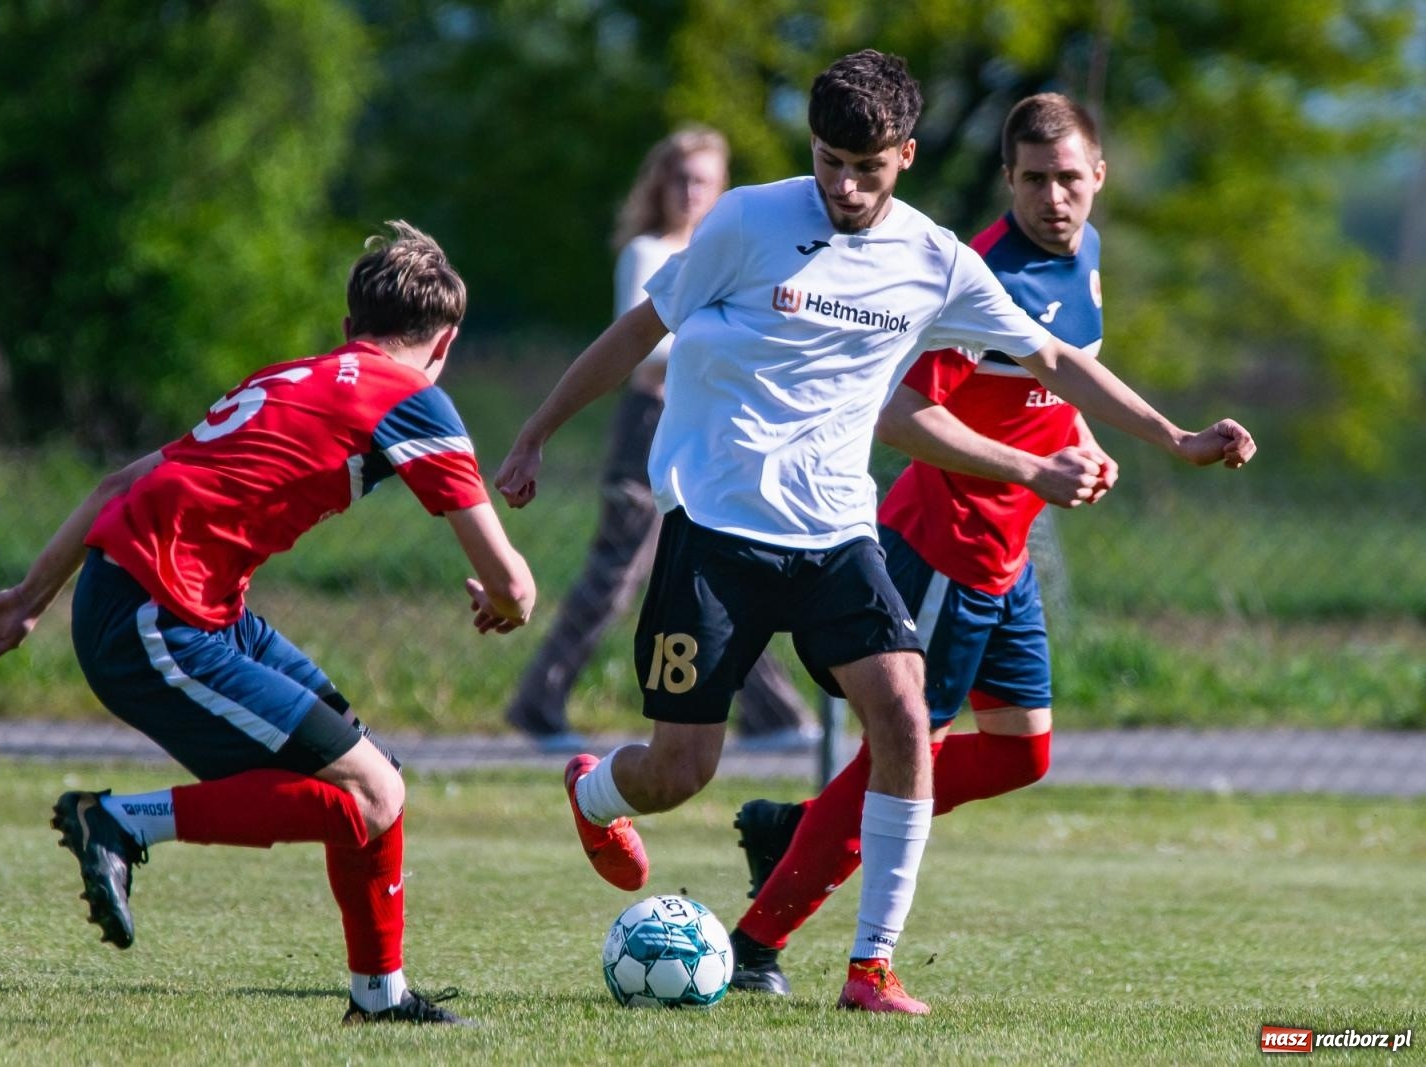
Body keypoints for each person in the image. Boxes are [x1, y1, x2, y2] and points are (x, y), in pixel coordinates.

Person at [497, 51, 1254, 1016]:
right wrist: (533, 434)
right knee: (680, 770)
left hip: (836, 532)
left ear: (904, 153)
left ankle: (871, 968)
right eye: (826, 162)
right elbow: (640, 331)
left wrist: (1177, 436)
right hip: (715, 527)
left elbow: (1056, 358)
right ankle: (598, 790)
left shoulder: (936, 260)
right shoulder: (744, 223)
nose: (843, 187)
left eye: (866, 167)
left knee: (905, 720)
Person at [723, 93, 1254, 996]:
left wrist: (1100, 443)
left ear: (1099, 178)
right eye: (1035, 180)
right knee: (904, 757)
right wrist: (1030, 470)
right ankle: (761, 944)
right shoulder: (980, 275)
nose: (1055, 197)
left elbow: (1056, 374)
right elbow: (902, 415)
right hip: (937, 554)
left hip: (1003, 561)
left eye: (1070, 179)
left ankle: (799, 828)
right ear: (1008, 179)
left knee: (1021, 752)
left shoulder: (1081, 255)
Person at [0, 222, 535, 1027]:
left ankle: (380, 996)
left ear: (347, 327)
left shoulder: (293, 375)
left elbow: (121, 481)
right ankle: (118, 820)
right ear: (447, 341)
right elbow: (514, 586)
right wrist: (505, 600)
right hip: (158, 615)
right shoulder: (413, 399)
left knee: (369, 773)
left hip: (181, 607)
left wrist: (29, 596)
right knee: (370, 792)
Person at [504, 125, 819, 753]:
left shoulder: (732, 254)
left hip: (714, 429)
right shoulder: (651, 253)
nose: (688, 190)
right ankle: (541, 702)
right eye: (677, 178)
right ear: (659, 185)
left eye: (701, 179)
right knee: (619, 572)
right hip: (652, 425)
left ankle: (772, 714)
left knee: (721, 562)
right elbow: (648, 350)